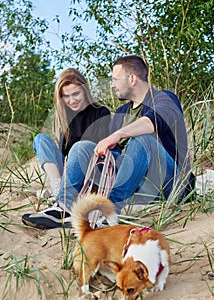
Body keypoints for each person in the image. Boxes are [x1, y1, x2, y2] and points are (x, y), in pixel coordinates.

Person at [22, 56, 195, 229]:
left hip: (172, 182)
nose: (112, 85)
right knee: (82, 147)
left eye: (115, 79)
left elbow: (152, 121)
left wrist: (117, 135)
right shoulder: (121, 112)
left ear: (132, 78)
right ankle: (64, 208)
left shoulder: (164, 98)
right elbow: (115, 155)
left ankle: (110, 209)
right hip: (137, 185)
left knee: (143, 139)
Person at [22, 68, 111, 228]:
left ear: (85, 90)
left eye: (76, 94)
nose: (72, 100)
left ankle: (64, 204)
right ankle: (58, 189)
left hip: (90, 173)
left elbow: (102, 154)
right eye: (66, 96)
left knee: (80, 147)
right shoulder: (62, 116)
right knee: (40, 139)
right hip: (68, 173)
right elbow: (63, 153)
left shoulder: (100, 112)